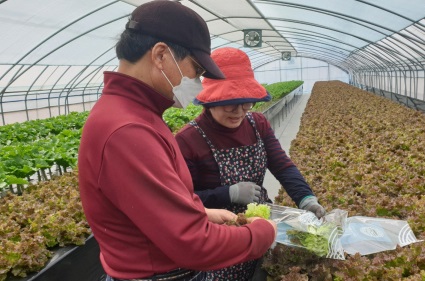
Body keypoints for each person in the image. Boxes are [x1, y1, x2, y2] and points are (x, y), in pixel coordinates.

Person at [77, 2, 277, 281]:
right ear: (161, 55)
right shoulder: (128, 129)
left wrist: (200, 212)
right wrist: (262, 232)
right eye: (195, 69)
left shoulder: (134, 114)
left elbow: (150, 209)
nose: (195, 81)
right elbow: (194, 244)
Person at [175, 47, 327, 280]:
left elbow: (282, 166)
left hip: (260, 224)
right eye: (230, 104)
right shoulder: (188, 139)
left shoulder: (257, 123)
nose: (239, 112)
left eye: (247, 103)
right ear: (210, 100)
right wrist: (228, 194)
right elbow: (183, 203)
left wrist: (307, 199)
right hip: (219, 238)